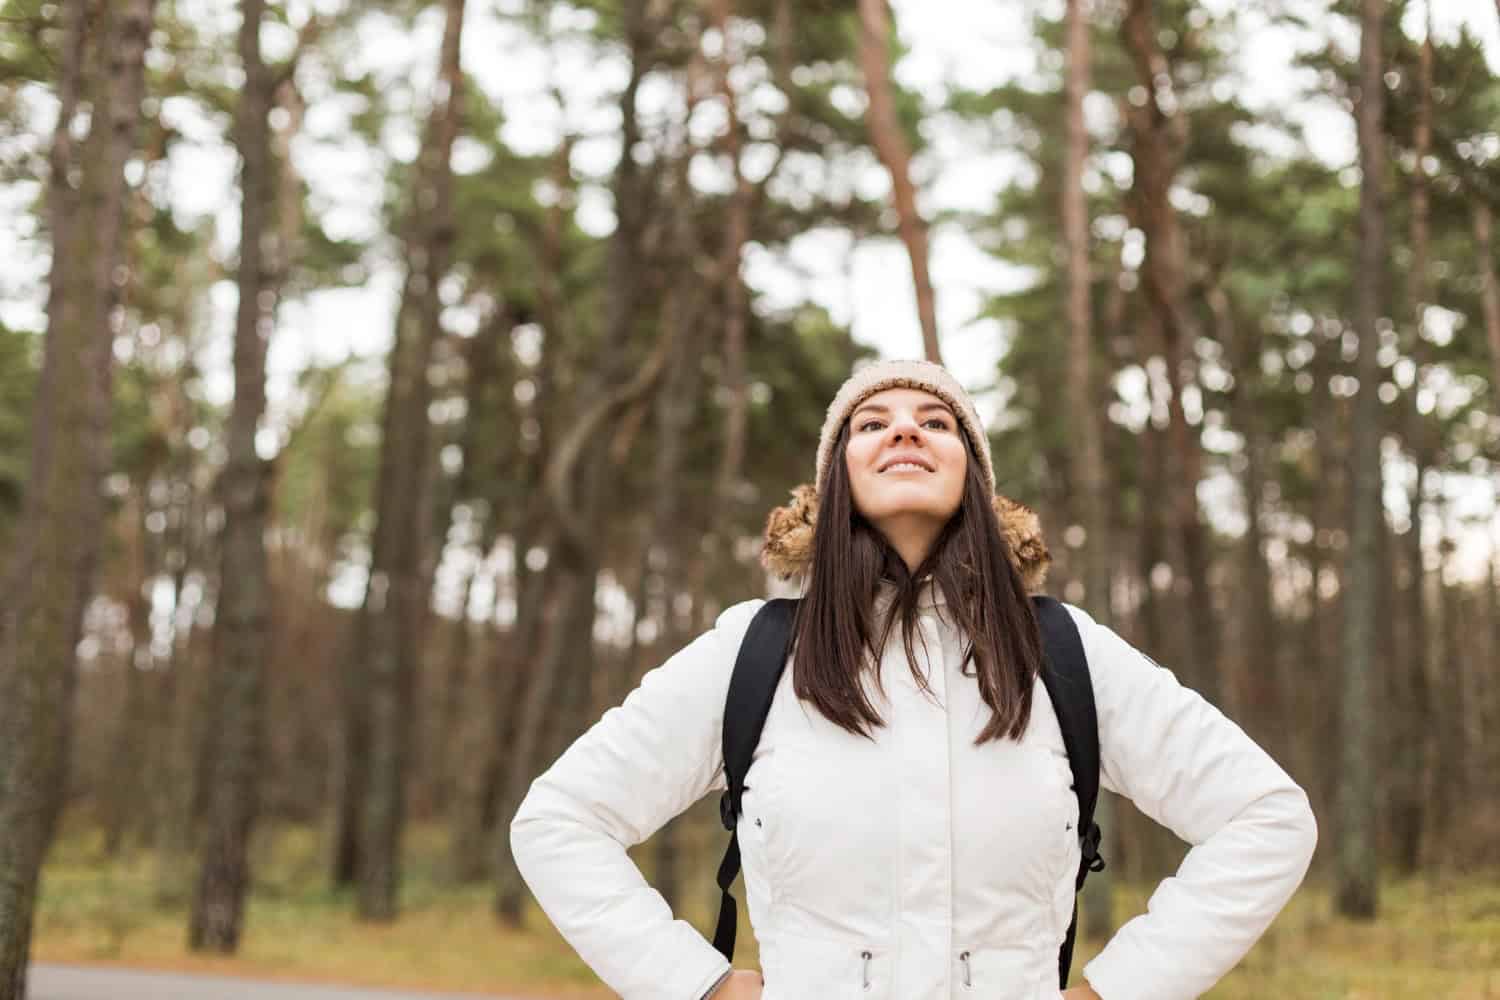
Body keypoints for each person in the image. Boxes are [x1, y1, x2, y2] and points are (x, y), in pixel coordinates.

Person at [510, 358, 1318, 1000]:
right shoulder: (752, 654)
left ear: (973, 476)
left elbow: (1266, 818)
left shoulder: (1064, 654)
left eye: (937, 422)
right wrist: (698, 984)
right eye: (873, 424)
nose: (906, 433)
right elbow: (558, 820)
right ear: (835, 480)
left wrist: (1118, 989)